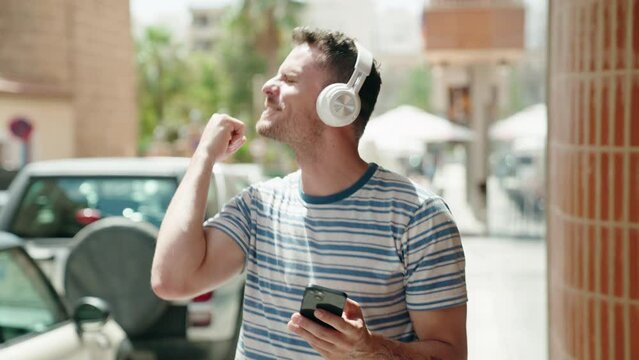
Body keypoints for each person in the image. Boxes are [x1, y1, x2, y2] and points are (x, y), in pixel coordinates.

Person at [152, 27, 467, 360]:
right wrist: (203, 157)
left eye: (288, 79)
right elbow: (171, 281)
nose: (267, 86)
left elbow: (451, 354)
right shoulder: (258, 206)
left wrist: (370, 350)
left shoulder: (419, 218)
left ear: (339, 103)